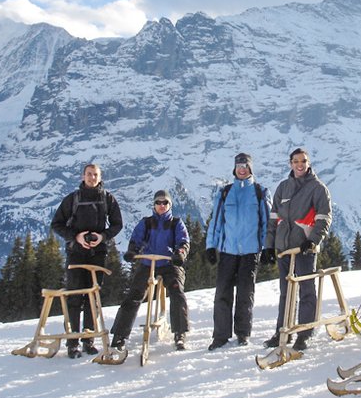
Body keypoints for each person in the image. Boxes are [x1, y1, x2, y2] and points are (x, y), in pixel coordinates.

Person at [261, 148, 332, 351]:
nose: (299, 164)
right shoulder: (283, 187)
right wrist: (269, 245)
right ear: (290, 163)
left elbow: (324, 217)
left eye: (303, 161)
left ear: (308, 163)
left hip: (304, 248)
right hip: (284, 248)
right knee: (286, 291)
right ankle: (283, 331)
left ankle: (305, 333)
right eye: (295, 161)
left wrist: (313, 240)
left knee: (306, 290)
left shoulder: (318, 188)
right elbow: (274, 218)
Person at [51, 163, 123, 359]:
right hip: (76, 253)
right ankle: (72, 342)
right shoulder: (73, 199)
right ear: (83, 176)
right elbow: (56, 224)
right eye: (89, 174)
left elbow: (118, 224)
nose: (92, 178)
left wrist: (103, 237)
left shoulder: (107, 198)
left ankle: (88, 340)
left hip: (98, 254)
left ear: (100, 177)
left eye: (95, 175)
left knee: (93, 297)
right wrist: (76, 236)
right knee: (74, 296)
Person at [205, 153, 272, 350]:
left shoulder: (260, 192)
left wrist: (268, 247)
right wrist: (211, 245)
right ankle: (221, 336)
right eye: (239, 166)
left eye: (245, 166)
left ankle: (243, 333)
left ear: (251, 169)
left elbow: (266, 223)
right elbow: (216, 221)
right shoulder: (225, 192)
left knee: (245, 293)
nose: (242, 169)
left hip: (251, 251)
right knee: (222, 293)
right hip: (228, 250)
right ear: (234, 168)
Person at [110, 190, 190, 351]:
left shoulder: (176, 223)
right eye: (158, 202)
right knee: (134, 294)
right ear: (153, 205)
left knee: (177, 291)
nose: (161, 206)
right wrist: (133, 251)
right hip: (148, 263)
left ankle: (180, 333)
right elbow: (136, 239)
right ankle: (119, 335)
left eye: (165, 203)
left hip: (168, 263)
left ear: (169, 205)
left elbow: (183, 241)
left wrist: (180, 254)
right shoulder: (146, 223)